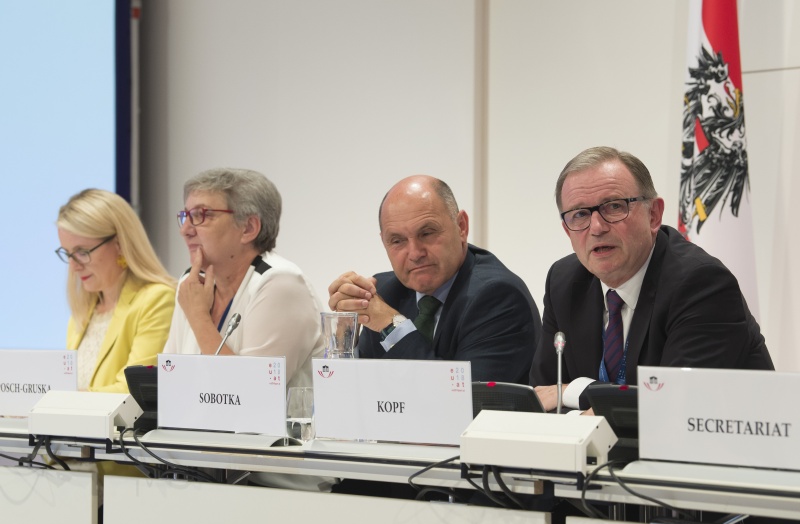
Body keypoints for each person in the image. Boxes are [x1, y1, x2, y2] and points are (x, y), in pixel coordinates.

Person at [530, 147, 773, 412]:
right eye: (580, 214)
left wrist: (573, 391)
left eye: (614, 207)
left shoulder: (702, 284)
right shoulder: (564, 282)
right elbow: (543, 396)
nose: (597, 228)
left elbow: (672, 407)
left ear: (654, 215)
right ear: (567, 230)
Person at [329, 175, 541, 384]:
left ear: (461, 227)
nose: (415, 253)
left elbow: (464, 403)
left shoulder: (498, 297)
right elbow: (360, 397)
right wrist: (344, 342)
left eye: (427, 233)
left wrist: (392, 326)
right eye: (397, 240)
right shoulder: (384, 293)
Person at [163, 167, 324, 389]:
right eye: (186, 216)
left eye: (201, 215)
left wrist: (199, 318)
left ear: (248, 228)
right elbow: (170, 382)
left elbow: (251, 394)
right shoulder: (191, 283)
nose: (186, 230)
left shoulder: (280, 283)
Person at [57, 189, 175, 393]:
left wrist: (61, 399)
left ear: (120, 244)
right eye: (67, 254)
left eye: (82, 252)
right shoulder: (84, 309)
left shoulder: (157, 300)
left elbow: (134, 392)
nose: (74, 266)